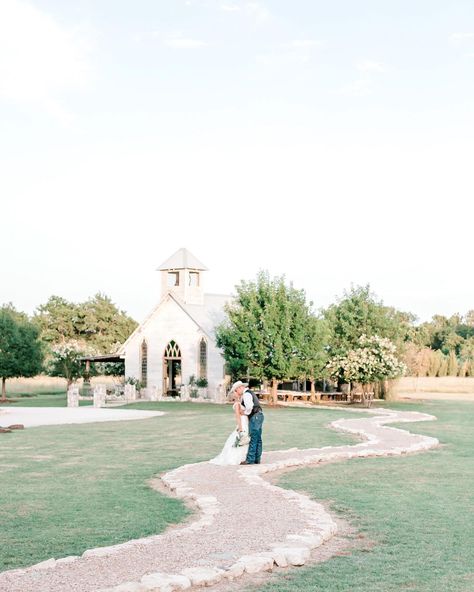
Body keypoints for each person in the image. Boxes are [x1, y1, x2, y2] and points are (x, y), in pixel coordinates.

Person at [209, 387, 249, 466]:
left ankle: (243, 458)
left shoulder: (240, 403)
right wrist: (240, 428)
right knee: (241, 438)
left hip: (245, 422)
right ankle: (238, 458)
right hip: (242, 423)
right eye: (237, 393)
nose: (240, 394)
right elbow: (238, 417)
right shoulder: (237, 404)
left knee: (245, 439)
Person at [231, 380, 264, 465]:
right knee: (258, 438)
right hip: (259, 415)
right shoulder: (248, 393)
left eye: (236, 390)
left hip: (255, 416)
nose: (236, 392)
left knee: (253, 437)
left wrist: (244, 412)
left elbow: (249, 406)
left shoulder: (246, 394)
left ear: (240, 388)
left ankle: (250, 459)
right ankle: (257, 458)